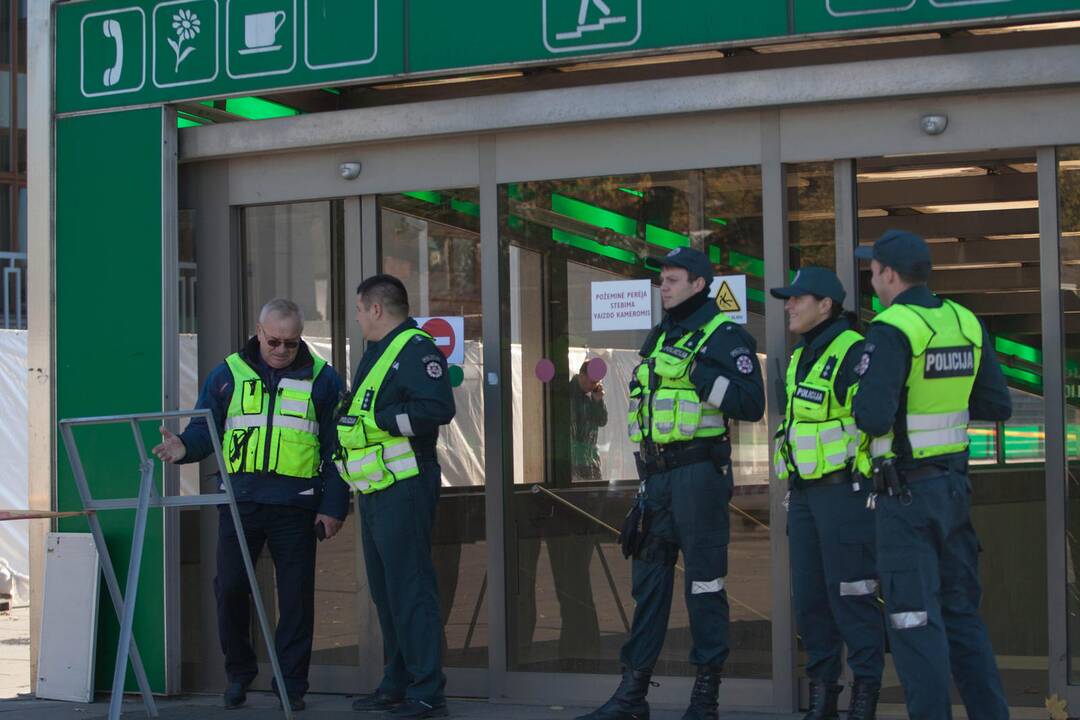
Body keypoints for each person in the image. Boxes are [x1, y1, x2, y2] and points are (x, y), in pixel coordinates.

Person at [577, 247, 765, 720]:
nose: (664, 286)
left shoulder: (724, 336)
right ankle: (631, 695)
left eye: (673, 279)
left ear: (699, 284)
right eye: (662, 279)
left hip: (699, 476)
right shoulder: (659, 337)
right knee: (649, 584)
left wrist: (700, 374)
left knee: (704, 586)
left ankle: (705, 699)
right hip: (656, 480)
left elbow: (751, 403)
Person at [152, 298, 348, 712]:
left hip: (296, 506)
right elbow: (205, 430)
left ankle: (290, 685)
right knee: (231, 591)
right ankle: (239, 674)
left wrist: (333, 506)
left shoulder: (324, 380)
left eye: (291, 343)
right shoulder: (228, 374)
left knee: (296, 599)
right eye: (273, 341)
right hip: (239, 502)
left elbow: (337, 450)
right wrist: (183, 448)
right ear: (258, 332)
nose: (281, 350)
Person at [852, 230, 1012, 720]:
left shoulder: (893, 327)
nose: (871, 279)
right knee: (961, 615)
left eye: (874, 271)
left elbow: (872, 418)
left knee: (913, 620)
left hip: (906, 500)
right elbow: (996, 404)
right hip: (953, 491)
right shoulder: (964, 321)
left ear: (891, 275)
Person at [338, 274, 456, 719]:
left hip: (405, 485)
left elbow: (437, 410)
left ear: (376, 309)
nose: (356, 318)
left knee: (410, 588)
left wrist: (382, 421)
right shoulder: (378, 352)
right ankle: (398, 682)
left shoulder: (415, 348)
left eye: (358, 309)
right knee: (388, 592)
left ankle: (427, 690)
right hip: (376, 486)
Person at [770, 267, 883, 720]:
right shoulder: (801, 356)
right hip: (805, 496)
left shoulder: (854, 351)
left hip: (846, 495)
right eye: (788, 299)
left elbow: (873, 423)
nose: (789, 305)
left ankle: (864, 696)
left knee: (852, 597)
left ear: (826, 305)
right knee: (812, 599)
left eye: (799, 298)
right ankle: (823, 696)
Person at [569, 358, 609, 482]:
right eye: (592, 382)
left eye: (597, 383)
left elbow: (602, 421)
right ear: (581, 376)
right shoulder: (571, 395)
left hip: (590, 460)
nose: (594, 386)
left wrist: (598, 401)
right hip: (575, 461)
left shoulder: (592, 395)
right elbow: (578, 431)